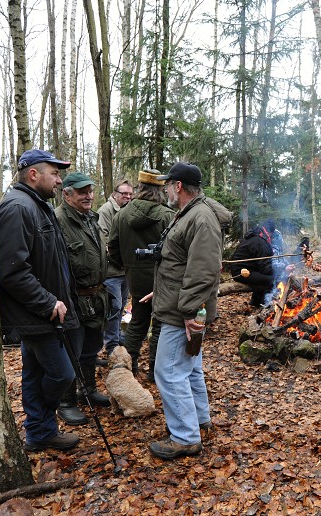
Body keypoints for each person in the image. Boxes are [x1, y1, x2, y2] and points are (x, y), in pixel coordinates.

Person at [0, 149, 80, 451]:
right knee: (62, 374)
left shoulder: (36, 205)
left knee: (35, 373)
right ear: (34, 174)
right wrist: (47, 302)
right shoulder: (18, 208)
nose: (59, 181)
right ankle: (41, 425)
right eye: (55, 174)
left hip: (43, 313)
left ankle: (39, 433)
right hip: (36, 314)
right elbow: (13, 271)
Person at [148, 162, 223, 460]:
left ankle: (185, 437)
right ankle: (200, 421)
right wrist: (164, 289)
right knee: (189, 369)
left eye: (168, 184)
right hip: (180, 304)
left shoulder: (200, 218)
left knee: (167, 372)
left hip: (183, 312)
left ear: (178, 186)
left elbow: (204, 271)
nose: (165, 188)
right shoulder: (191, 213)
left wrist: (191, 311)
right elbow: (183, 264)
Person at [54, 172, 111, 426]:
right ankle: (65, 402)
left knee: (90, 348)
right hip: (73, 300)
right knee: (70, 352)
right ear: (67, 194)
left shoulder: (92, 218)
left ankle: (87, 389)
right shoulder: (57, 221)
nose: (88, 195)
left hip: (96, 298)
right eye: (81, 191)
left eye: (89, 190)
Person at [107, 169, 174, 380]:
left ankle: (127, 367)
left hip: (134, 278)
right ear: (160, 190)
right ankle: (155, 370)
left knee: (138, 321)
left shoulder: (122, 215)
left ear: (140, 188)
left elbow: (113, 248)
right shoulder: (167, 215)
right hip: (161, 280)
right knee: (160, 324)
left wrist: (127, 267)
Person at [97, 179, 133, 359]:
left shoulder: (129, 212)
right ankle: (111, 346)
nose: (127, 197)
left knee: (121, 308)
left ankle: (117, 337)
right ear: (114, 194)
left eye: (129, 194)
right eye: (123, 193)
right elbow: (103, 240)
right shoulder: (106, 211)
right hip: (111, 271)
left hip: (125, 271)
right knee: (114, 307)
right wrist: (119, 258)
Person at [230, 220, 277, 307]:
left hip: (242, 269)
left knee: (262, 279)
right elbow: (265, 268)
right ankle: (265, 305)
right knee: (270, 280)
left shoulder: (256, 237)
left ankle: (255, 302)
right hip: (241, 272)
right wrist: (280, 270)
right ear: (270, 232)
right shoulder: (260, 242)